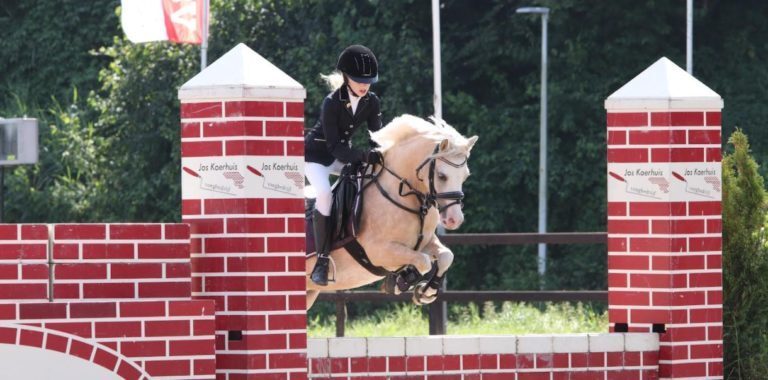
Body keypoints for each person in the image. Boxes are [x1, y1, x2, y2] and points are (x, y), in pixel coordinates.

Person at [305, 45, 384, 286]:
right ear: (346, 78)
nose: (364, 85)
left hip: (341, 154)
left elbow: (377, 134)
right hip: (316, 157)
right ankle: (321, 260)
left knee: (373, 178)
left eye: (368, 81)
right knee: (325, 195)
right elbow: (333, 147)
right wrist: (361, 155)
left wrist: (380, 152)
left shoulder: (372, 101)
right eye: (360, 80)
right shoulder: (331, 102)